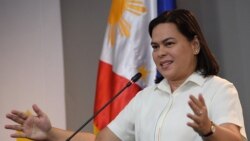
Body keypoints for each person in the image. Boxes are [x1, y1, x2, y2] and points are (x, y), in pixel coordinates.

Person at [5, 9, 247, 141]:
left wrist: (209, 129)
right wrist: (50, 133)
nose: (160, 53)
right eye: (155, 47)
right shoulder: (145, 98)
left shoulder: (218, 89)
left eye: (169, 43)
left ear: (194, 45)